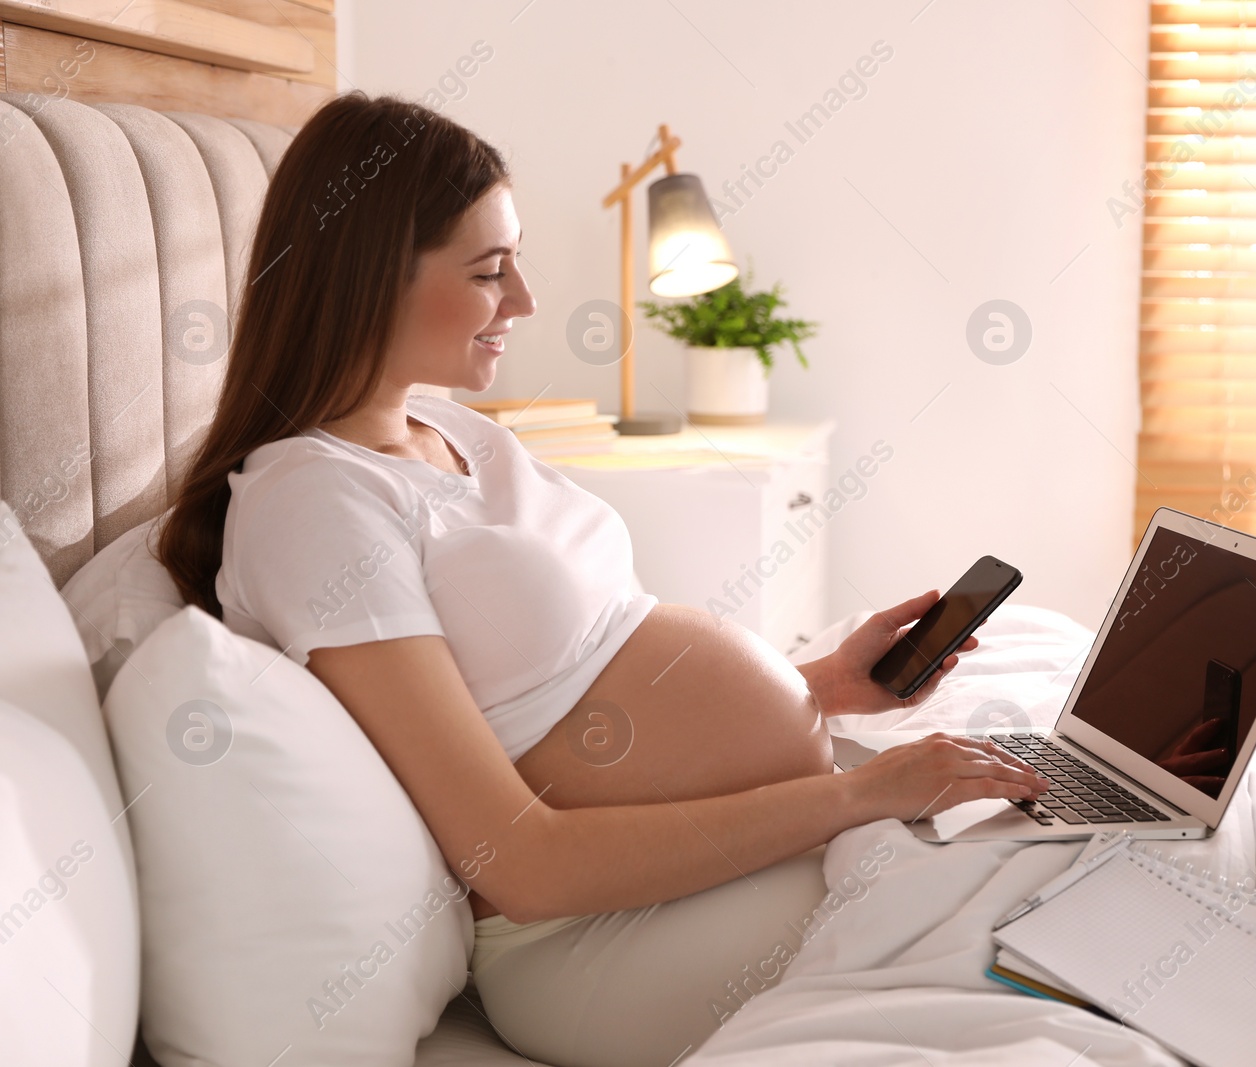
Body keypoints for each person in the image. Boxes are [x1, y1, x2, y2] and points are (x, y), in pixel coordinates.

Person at [157, 93, 1044, 1067]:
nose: (526, 301)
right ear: (369, 279)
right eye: (491, 271)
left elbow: (582, 672)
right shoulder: (314, 504)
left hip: (712, 864)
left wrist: (824, 685)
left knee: (1043, 856)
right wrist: (859, 794)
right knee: (1013, 929)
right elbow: (518, 862)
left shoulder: (451, 428)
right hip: (593, 937)